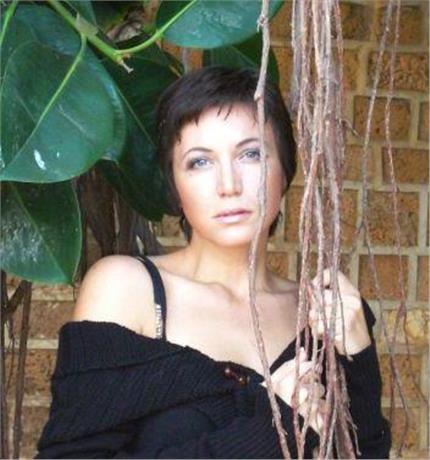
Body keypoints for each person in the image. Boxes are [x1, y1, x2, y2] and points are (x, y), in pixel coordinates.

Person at [35, 66, 391, 459]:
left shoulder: (322, 316)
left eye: (251, 154)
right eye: (200, 162)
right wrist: (273, 431)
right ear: (174, 185)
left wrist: (358, 358)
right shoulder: (128, 289)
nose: (229, 185)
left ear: (285, 171)